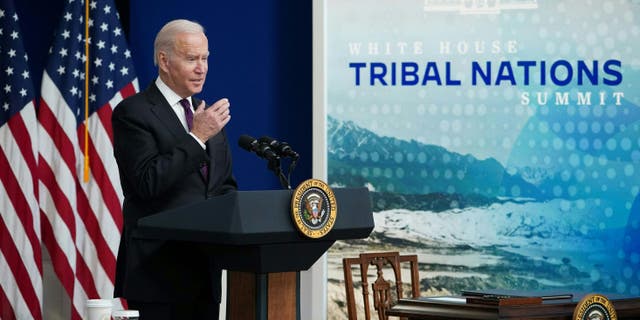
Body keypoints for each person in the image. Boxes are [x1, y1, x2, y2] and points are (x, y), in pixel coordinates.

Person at [112, 19, 237, 319]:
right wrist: (197, 138)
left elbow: (223, 187)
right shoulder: (134, 112)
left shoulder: (205, 116)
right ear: (164, 61)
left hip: (205, 272)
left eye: (205, 58)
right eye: (192, 58)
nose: (202, 68)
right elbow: (147, 182)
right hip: (158, 275)